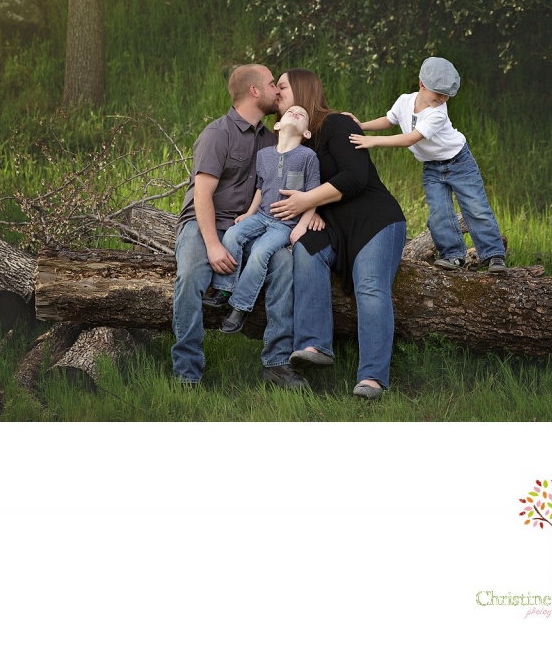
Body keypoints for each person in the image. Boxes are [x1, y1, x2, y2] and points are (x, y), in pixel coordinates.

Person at [269, 68, 407, 400]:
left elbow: (355, 176)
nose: (277, 94)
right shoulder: (295, 142)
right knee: (306, 250)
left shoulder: (336, 124)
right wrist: (308, 212)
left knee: (370, 285)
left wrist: (307, 201)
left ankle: (372, 377)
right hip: (331, 226)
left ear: (303, 91)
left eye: (283, 87)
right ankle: (315, 344)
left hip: (374, 221)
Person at [170, 64, 307, 389]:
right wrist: (214, 245)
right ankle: (187, 372)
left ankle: (276, 362)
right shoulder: (218, 134)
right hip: (204, 223)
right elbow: (202, 195)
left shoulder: (271, 138)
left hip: (252, 224)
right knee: (190, 276)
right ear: (255, 91)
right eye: (273, 84)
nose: (277, 90)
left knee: (284, 264)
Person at [347, 56, 507, 274]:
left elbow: (410, 139)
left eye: (447, 96)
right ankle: (453, 256)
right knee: (439, 213)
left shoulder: (437, 113)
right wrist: (361, 126)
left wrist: (374, 141)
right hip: (432, 168)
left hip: (459, 162)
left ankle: (494, 255)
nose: (442, 99)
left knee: (475, 208)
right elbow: (389, 119)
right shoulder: (404, 101)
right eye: (438, 93)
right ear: (422, 85)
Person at [203, 105, 321, 334]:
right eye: (290, 112)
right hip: (260, 215)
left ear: (306, 133)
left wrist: (302, 226)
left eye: (302, 115)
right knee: (233, 235)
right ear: (277, 125)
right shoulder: (264, 154)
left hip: (284, 224)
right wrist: (248, 213)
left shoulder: (308, 157)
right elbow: (260, 187)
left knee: (260, 252)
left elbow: (313, 196)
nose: (295, 113)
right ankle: (224, 289)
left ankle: (239, 307)